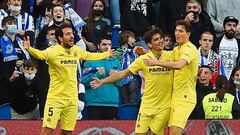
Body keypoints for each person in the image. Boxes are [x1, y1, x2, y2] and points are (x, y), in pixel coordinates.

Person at [22, 23, 115, 135]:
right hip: (56, 99)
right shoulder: (53, 51)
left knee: (67, 132)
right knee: (47, 131)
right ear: (60, 38)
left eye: (72, 33)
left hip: (72, 99)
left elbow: (90, 55)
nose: (71, 36)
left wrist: (106, 54)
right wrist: (29, 49)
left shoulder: (76, 50)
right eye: (67, 34)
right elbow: (41, 55)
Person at [90, 28, 173, 135]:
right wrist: (102, 81)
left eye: (161, 38)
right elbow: (123, 73)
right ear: (149, 44)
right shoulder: (142, 59)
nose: (160, 41)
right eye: (156, 39)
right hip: (146, 105)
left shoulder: (171, 56)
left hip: (164, 106)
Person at [144, 20, 198, 135]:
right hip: (174, 97)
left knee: (174, 133)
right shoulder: (177, 49)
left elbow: (179, 65)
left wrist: (155, 63)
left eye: (181, 31)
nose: (177, 33)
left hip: (185, 97)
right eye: (176, 30)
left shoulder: (189, 49)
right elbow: (163, 55)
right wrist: (145, 51)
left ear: (188, 34)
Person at [82, 36, 121, 120]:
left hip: (112, 103)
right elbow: (84, 82)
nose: (107, 47)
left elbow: (121, 84)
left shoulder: (116, 61)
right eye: (104, 44)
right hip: (94, 103)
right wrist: (97, 75)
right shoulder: (90, 60)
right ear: (98, 46)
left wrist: (116, 77)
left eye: (109, 44)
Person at [0, 16, 30, 106]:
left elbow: (29, 59)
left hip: (20, 82)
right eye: (9, 23)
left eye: (14, 23)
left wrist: (23, 63)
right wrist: (8, 77)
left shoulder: (21, 42)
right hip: (4, 82)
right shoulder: (0, 41)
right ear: (3, 26)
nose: (12, 25)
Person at [116, 30, 139, 104]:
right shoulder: (118, 52)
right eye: (132, 38)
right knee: (124, 98)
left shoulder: (136, 52)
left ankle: (133, 107)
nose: (134, 40)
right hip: (121, 77)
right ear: (126, 39)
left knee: (133, 89)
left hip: (133, 76)